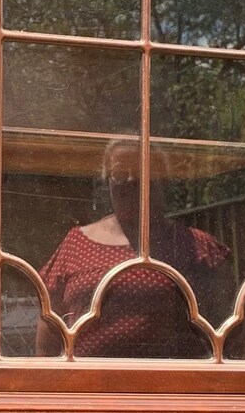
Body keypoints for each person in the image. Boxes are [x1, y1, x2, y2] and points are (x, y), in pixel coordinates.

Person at [37, 137, 230, 357]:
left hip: (172, 387)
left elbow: (229, 333)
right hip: (87, 387)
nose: (130, 180)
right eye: (119, 174)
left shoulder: (197, 246)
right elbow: (49, 330)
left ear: (161, 180)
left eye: (142, 172)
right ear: (106, 181)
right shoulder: (75, 243)